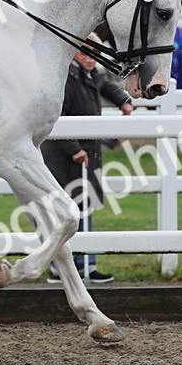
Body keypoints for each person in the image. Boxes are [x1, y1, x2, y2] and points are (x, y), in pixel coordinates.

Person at [40, 35, 134, 284]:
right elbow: (57, 117)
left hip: (84, 157)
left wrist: (124, 100)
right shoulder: (66, 79)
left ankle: (87, 264)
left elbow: (106, 86)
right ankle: (59, 268)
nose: (91, 58)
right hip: (64, 159)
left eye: (95, 53)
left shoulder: (89, 76)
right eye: (86, 53)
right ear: (74, 53)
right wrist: (73, 149)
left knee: (85, 209)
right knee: (64, 213)